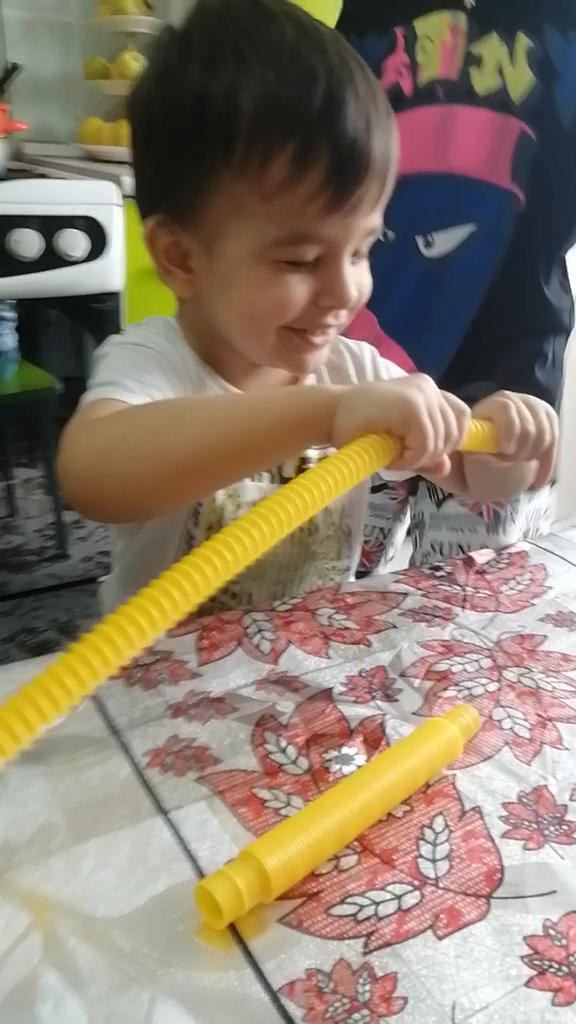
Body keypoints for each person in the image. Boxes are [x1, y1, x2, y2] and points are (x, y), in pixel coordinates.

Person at [58, 0, 557, 613]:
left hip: (303, 660)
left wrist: (505, 441)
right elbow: (91, 475)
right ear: (181, 258)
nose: (346, 292)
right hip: (157, 667)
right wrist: (325, 413)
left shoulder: (355, 370)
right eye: (300, 260)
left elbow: (469, 474)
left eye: (362, 250)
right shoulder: (156, 363)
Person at [336, 0, 576, 568]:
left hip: (510, 370)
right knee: (329, 579)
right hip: (361, 365)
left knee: (478, 590)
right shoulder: (371, 16)